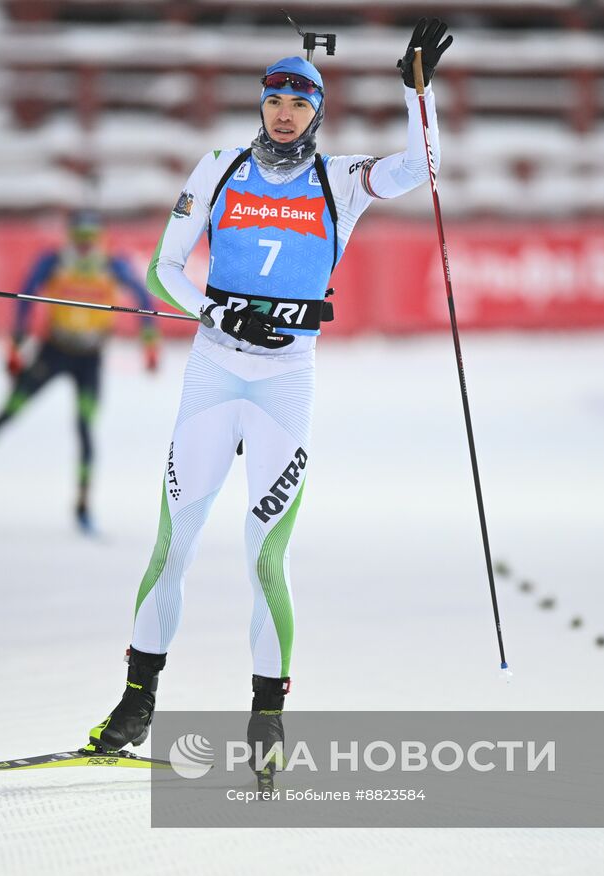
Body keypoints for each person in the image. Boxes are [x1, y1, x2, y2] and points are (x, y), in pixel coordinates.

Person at [85, 20, 452, 777]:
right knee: (171, 547)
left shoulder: (341, 181)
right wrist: (217, 312)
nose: (285, 109)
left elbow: (423, 166)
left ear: (317, 110)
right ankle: (136, 699)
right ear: (261, 104)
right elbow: (164, 271)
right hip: (214, 374)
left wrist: (418, 93)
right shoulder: (219, 166)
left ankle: (267, 717)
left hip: (285, 383)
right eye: (274, 96)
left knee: (266, 559)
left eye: (300, 98)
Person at [0, 209, 160, 534]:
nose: (83, 247)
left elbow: (141, 299)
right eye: (78, 240)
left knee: (84, 427)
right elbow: (25, 296)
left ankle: (82, 503)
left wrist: (149, 343)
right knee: (10, 410)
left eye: (89, 240)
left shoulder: (112, 264)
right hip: (53, 351)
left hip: (89, 359)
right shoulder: (55, 260)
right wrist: (16, 344)